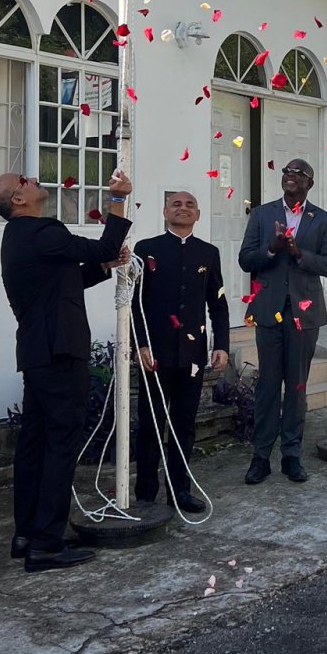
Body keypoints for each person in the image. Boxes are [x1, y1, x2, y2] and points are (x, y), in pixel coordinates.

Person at [0, 169, 133, 572]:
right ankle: (47, 544)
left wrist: (105, 268)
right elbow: (104, 242)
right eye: (24, 179)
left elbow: (67, 279)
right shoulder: (41, 231)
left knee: (34, 445)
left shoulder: (21, 239)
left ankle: (27, 534)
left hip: (38, 354)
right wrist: (118, 199)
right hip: (59, 351)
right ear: (18, 200)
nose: (32, 179)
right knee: (59, 447)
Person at [238, 159, 327, 485]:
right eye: (286, 172)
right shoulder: (262, 215)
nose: (290, 176)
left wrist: (298, 253)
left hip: (303, 314)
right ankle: (261, 457)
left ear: (310, 182)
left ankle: (292, 456)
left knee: (296, 385)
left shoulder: (323, 220)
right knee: (268, 385)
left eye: (298, 173)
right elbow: (245, 259)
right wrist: (272, 248)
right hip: (268, 310)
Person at [132, 190, 230, 515]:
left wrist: (222, 345)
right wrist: (140, 343)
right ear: (164, 211)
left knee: (184, 423)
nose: (183, 209)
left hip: (191, 353)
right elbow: (135, 303)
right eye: (177, 204)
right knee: (150, 423)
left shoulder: (208, 252)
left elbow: (217, 303)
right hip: (155, 353)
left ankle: (180, 490)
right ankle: (145, 493)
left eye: (190, 205)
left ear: (198, 215)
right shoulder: (146, 250)